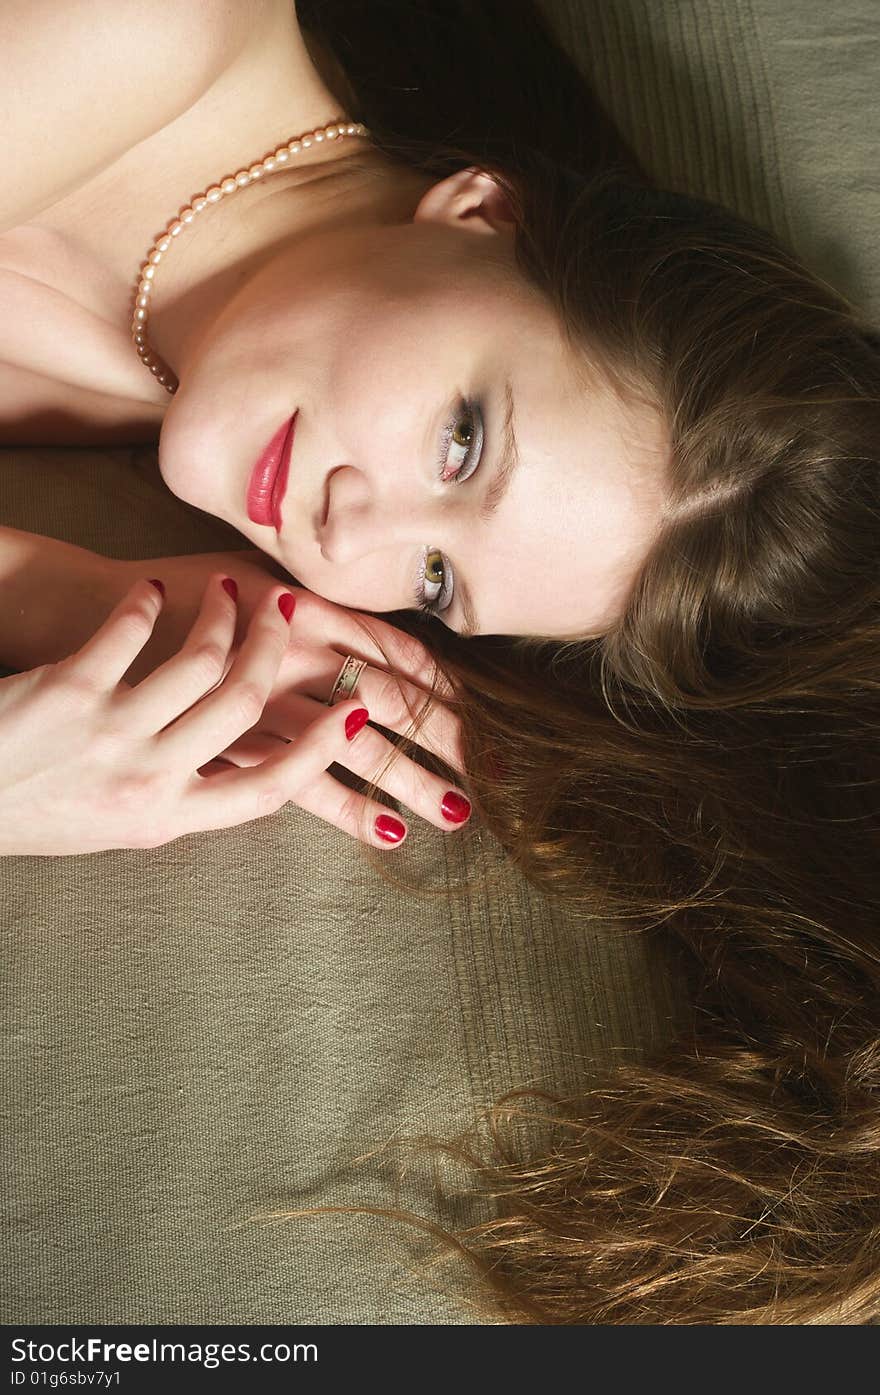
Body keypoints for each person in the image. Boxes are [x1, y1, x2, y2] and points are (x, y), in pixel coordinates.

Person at [2, 0, 878, 1322]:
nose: (352, 528)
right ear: (481, 212)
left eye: (435, 584)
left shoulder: (154, 389)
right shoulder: (148, 29)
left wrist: (78, 601)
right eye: (461, 444)